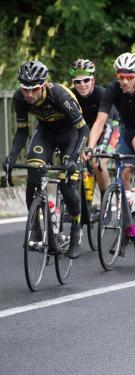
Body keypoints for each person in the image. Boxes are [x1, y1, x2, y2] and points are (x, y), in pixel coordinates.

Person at [5, 61, 89, 259]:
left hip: (71, 136)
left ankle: (76, 229)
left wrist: (74, 157)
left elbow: (83, 130)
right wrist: (11, 157)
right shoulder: (20, 98)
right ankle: (34, 224)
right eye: (25, 89)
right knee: (33, 172)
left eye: (33, 89)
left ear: (43, 85)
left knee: (67, 185)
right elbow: (22, 131)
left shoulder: (60, 95)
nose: (29, 95)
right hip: (46, 134)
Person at [86, 53, 135, 230]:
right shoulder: (113, 90)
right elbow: (99, 122)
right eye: (121, 77)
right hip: (128, 127)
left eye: (129, 77)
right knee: (125, 173)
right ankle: (129, 222)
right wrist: (90, 147)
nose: (125, 81)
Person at [69, 59, 113, 195]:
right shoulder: (70, 96)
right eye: (77, 81)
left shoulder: (102, 94)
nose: (82, 85)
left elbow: (109, 125)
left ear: (93, 80)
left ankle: (106, 202)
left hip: (107, 130)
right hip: (85, 133)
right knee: (74, 163)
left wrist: (99, 147)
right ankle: (85, 204)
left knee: (97, 163)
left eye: (86, 80)